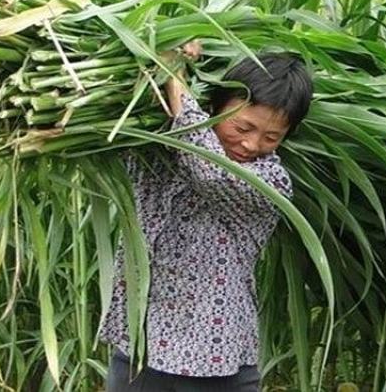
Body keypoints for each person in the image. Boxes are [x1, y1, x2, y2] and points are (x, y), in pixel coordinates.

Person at [100, 44, 313, 391]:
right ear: (214, 105)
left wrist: (173, 75)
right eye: (242, 127)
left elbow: (209, 169)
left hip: (214, 362)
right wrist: (171, 53)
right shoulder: (158, 141)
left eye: (271, 137)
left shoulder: (270, 183)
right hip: (139, 346)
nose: (251, 144)